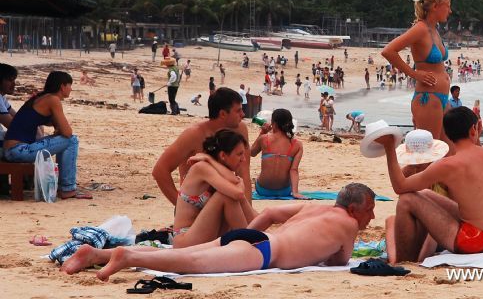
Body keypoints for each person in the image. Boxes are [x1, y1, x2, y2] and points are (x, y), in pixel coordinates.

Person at [60, 183, 376, 280]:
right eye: (369, 209)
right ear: (353, 209)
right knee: (192, 264)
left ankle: (95, 254)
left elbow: (268, 212)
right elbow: (339, 261)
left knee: (181, 253)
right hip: (265, 252)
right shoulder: (348, 224)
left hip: (256, 239)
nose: (371, 216)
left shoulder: (313, 207)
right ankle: (126, 257)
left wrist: (245, 237)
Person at [378, 107, 483, 263]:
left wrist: (389, 148)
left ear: (448, 134)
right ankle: (414, 255)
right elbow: (475, 154)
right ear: (475, 129)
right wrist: (476, 132)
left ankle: (405, 261)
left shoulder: (448, 165)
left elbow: (400, 187)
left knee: (406, 199)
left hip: (472, 241)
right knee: (424, 194)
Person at [152, 88, 252, 205]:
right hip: (196, 203)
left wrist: (248, 211)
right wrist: (181, 205)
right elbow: (160, 171)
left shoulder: (240, 130)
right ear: (223, 114)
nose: (243, 114)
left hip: (225, 201)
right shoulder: (194, 135)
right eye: (238, 111)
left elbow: (244, 172)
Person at [381, 0, 452, 146]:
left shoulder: (434, 29)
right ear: (435, 6)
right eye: (447, 5)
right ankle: (400, 172)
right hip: (428, 99)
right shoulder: (420, 29)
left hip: (441, 98)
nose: (450, 10)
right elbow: (388, 51)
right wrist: (414, 74)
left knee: (448, 150)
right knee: (427, 154)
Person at [3, 71, 92, 199]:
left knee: (69, 139)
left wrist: (59, 130)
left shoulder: (44, 97)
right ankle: (67, 188)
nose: (71, 89)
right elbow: (67, 132)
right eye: (70, 85)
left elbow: (59, 128)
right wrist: (60, 130)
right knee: (72, 140)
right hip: (18, 150)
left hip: (14, 149)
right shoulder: (52, 100)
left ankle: (66, 187)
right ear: (62, 86)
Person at [170, 129, 257, 247]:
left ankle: (252, 240)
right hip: (185, 239)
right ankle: (250, 243)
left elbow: (252, 216)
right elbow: (238, 192)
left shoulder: (217, 170)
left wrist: (210, 159)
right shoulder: (201, 167)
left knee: (231, 195)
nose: (243, 159)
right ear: (222, 155)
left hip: (202, 236)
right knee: (226, 196)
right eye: (239, 154)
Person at [251, 109, 304, 199]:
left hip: (263, 190)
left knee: (257, 178)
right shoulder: (297, 144)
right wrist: (295, 192)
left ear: (273, 123)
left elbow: (252, 152)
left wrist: (262, 132)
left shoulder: (264, 139)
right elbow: (294, 170)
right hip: (284, 191)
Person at [0, 64, 18, 161]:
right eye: (10, 80)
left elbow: (17, 117)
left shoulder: (2, 97)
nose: (14, 84)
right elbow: (12, 126)